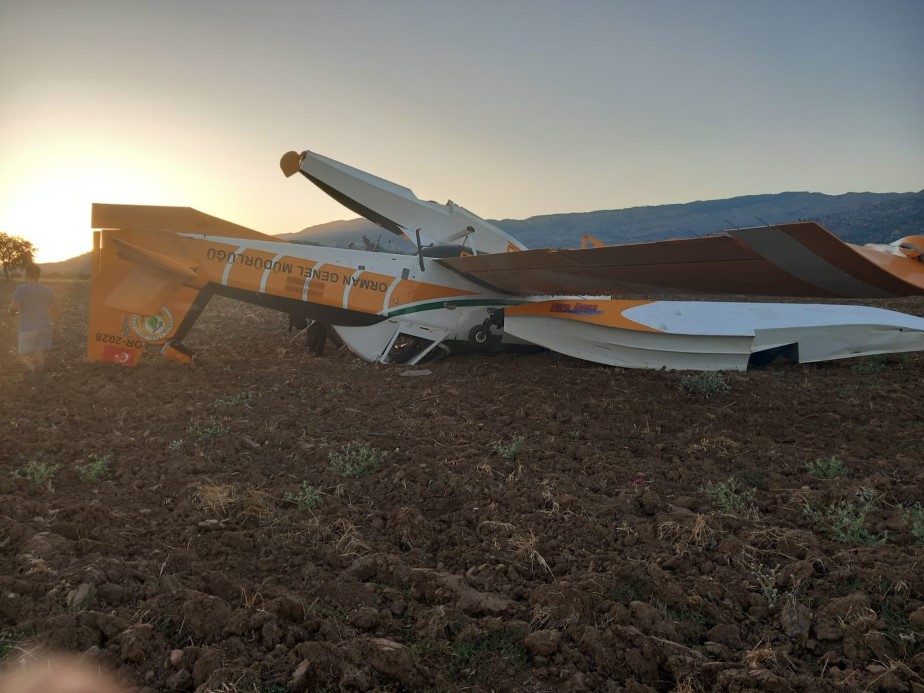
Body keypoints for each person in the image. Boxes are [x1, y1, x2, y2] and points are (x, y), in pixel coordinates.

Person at [9, 264, 58, 382]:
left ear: (26, 274)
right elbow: (54, 309)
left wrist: (12, 311)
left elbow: (13, 307)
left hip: (27, 327)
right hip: (44, 327)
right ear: (39, 275)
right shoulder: (48, 290)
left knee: (22, 355)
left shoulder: (21, 289)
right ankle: (40, 377)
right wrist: (56, 325)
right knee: (39, 353)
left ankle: (33, 368)